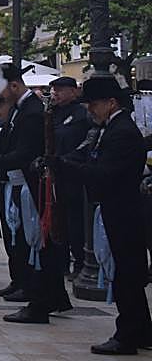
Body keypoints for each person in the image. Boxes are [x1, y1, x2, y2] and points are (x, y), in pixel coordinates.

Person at [55, 75, 152, 355]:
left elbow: (104, 173)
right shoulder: (109, 127)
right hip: (118, 208)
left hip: (124, 210)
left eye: (93, 104)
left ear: (111, 103)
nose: (89, 110)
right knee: (127, 273)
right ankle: (142, 329)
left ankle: (128, 334)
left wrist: (68, 169)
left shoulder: (120, 131)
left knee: (126, 275)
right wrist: (64, 162)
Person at [0, 63, 71, 324]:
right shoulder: (19, 110)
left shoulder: (32, 112)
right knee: (29, 244)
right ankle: (45, 296)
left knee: (39, 246)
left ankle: (41, 302)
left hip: (34, 187)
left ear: (14, 85)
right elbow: (3, 143)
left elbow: (23, 153)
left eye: (1, 89)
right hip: (21, 184)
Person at [49, 76, 90, 277]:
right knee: (58, 220)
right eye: (54, 90)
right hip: (55, 174)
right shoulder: (52, 114)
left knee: (75, 222)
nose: (55, 93)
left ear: (74, 91)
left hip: (74, 174)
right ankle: (61, 261)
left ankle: (81, 262)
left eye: (61, 89)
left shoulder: (81, 114)